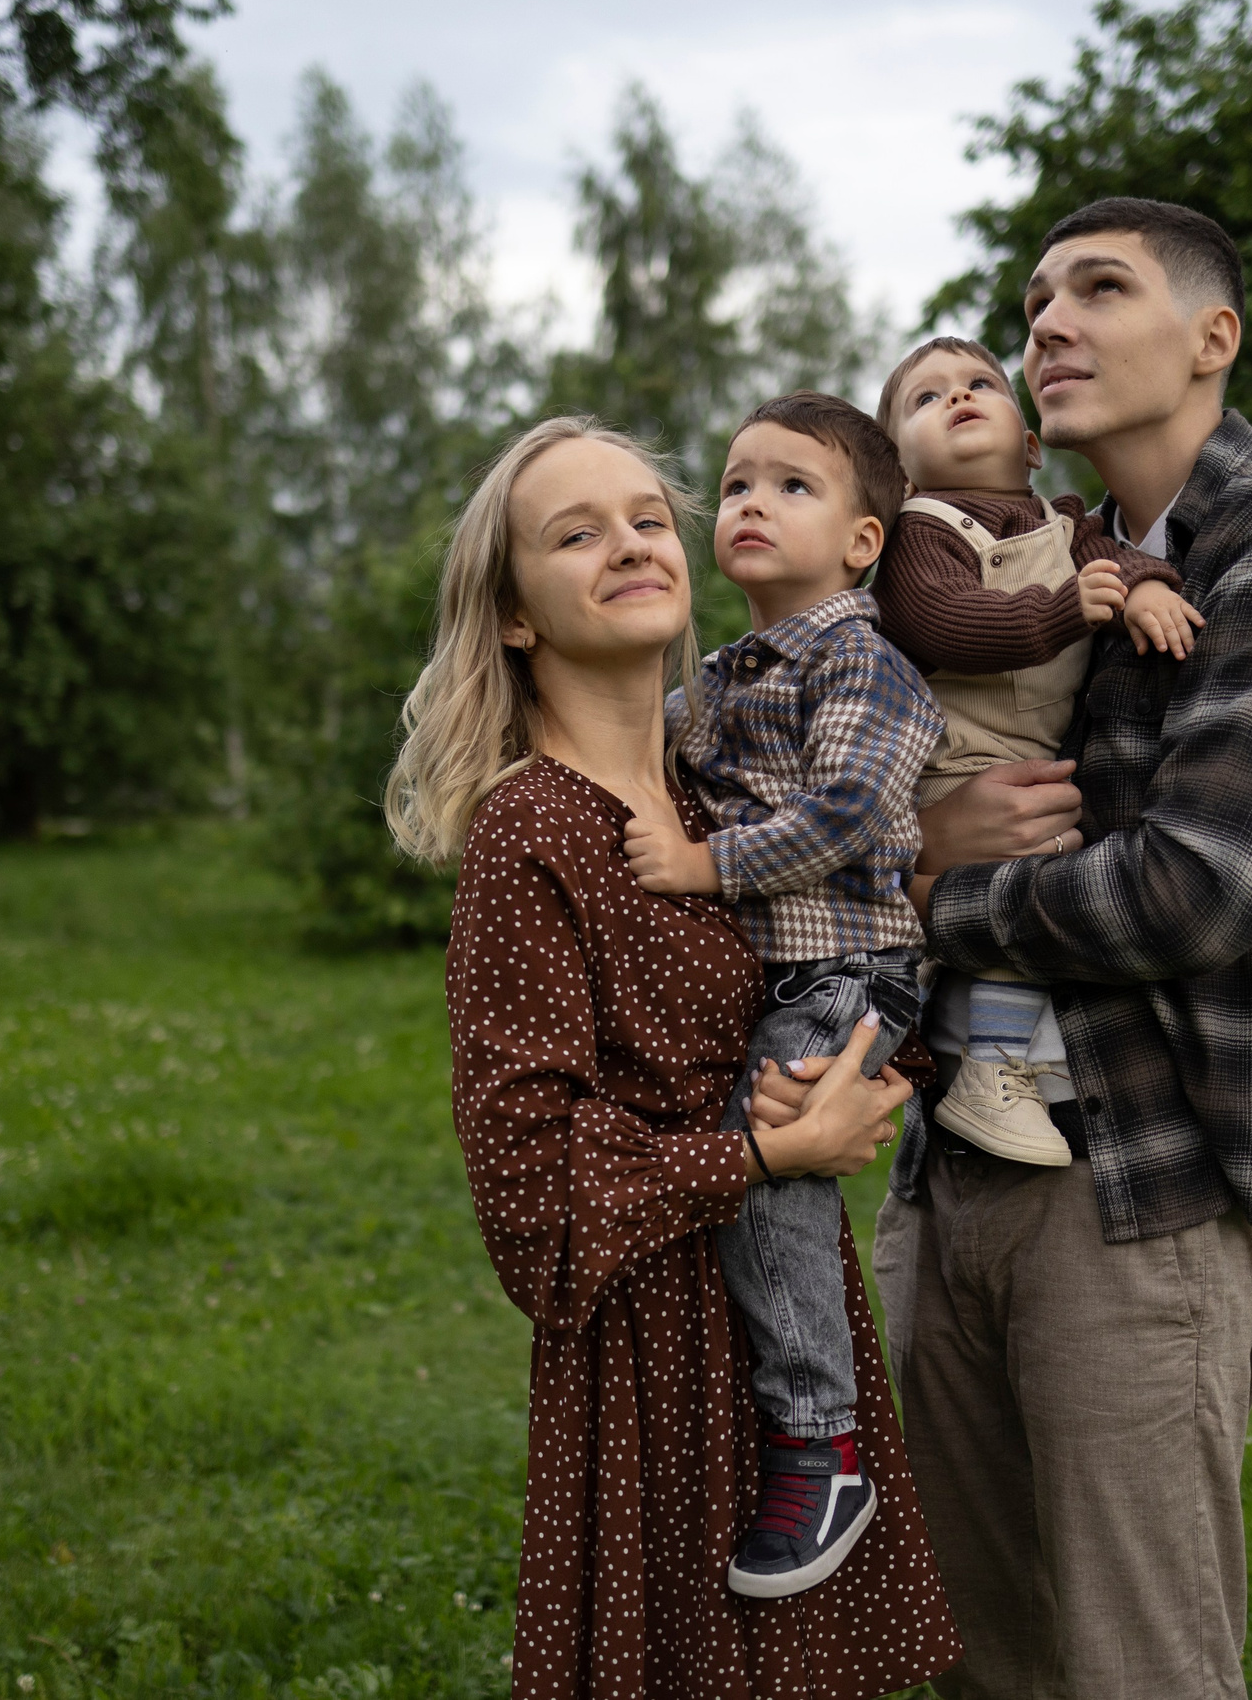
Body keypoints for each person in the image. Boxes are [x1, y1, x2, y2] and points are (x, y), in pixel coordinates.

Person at [755, 198, 1252, 1697]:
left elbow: (1187, 891)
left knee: (1141, 1668)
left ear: (1212, 337)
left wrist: (911, 886)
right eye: (1035, 297)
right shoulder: (1029, 562)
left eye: (1099, 290)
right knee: (991, 1662)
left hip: (1140, 1190)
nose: (1045, 323)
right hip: (945, 1179)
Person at [387, 414, 961, 1699]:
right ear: (516, 616)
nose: (633, 544)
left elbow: (848, 964)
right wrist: (765, 1151)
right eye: (575, 533)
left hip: (790, 1322)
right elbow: (531, 1196)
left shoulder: (723, 803)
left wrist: (856, 1082)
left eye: (650, 517)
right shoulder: (534, 830)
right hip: (657, 1363)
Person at [618, 392, 941, 1598]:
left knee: (772, 1164)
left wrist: (705, 866)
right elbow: (635, 746)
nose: (751, 501)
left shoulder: (866, 661)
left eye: (792, 485)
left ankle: (822, 1439)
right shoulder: (719, 673)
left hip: (849, 970)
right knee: (747, 1168)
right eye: (737, 481)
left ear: (863, 542)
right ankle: (798, 1422)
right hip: (782, 976)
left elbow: (848, 811)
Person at [871, 336, 1198, 1166]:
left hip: (1028, 760)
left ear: (1028, 442)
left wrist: (1149, 587)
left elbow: (1116, 561)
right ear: (901, 470)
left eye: (981, 382)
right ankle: (925, 1046)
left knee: (1030, 891)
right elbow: (941, 622)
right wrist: (1063, 612)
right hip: (955, 755)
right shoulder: (921, 531)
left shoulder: (1066, 521)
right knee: (1000, 888)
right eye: (926, 398)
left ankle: (993, 1061)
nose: (959, 397)